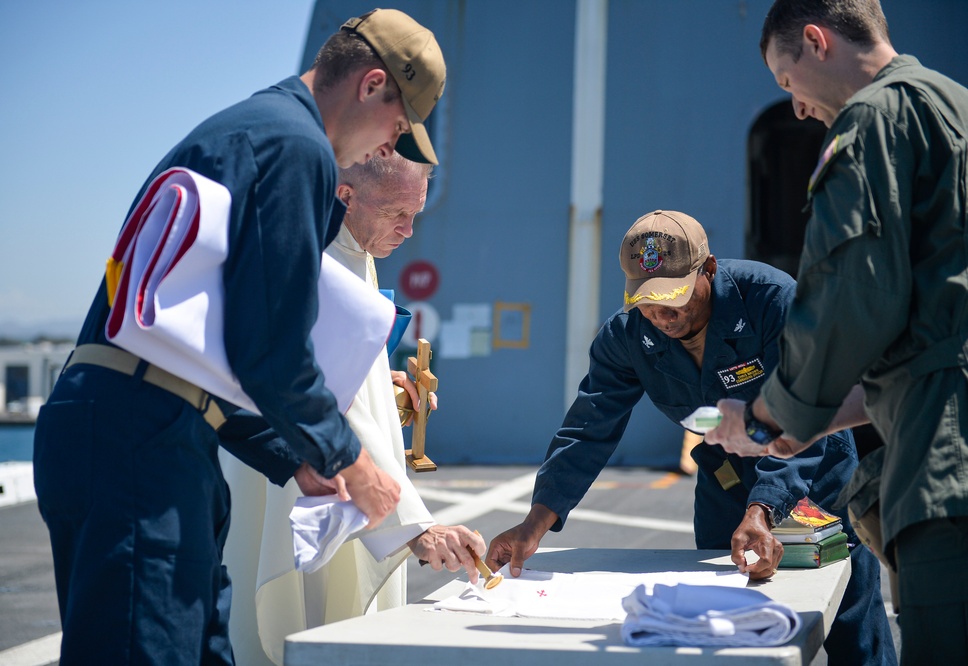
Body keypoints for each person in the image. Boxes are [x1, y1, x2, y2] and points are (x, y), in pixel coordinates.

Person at [32, 9, 447, 664]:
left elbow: (213, 341)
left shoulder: (246, 129)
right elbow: (270, 350)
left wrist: (298, 457)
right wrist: (350, 461)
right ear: (371, 86)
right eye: (395, 128)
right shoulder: (296, 146)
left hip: (131, 421)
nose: (381, 149)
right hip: (143, 435)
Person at [487, 210, 896, 664]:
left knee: (848, 619)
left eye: (675, 297)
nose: (662, 314)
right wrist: (534, 524)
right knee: (723, 626)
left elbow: (808, 413)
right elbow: (588, 429)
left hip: (812, 471)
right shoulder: (625, 338)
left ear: (710, 269)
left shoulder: (773, 302)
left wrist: (763, 509)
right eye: (647, 300)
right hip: (723, 479)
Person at [703, 1, 968, 661]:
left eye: (786, 82)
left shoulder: (872, 121)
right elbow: (926, 330)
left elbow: (853, 297)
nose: (794, 108)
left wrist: (766, 416)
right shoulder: (955, 106)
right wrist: (814, 423)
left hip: (944, 459)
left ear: (817, 42)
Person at [219, 153, 485, 665]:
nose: (408, 231)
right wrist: (414, 528)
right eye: (395, 214)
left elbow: (343, 380)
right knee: (314, 618)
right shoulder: (318, 261)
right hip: (310, 484)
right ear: (346, 196)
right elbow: (324, 402)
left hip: (333, 481)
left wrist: (383, 385)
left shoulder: (354, 253)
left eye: (416, 214)